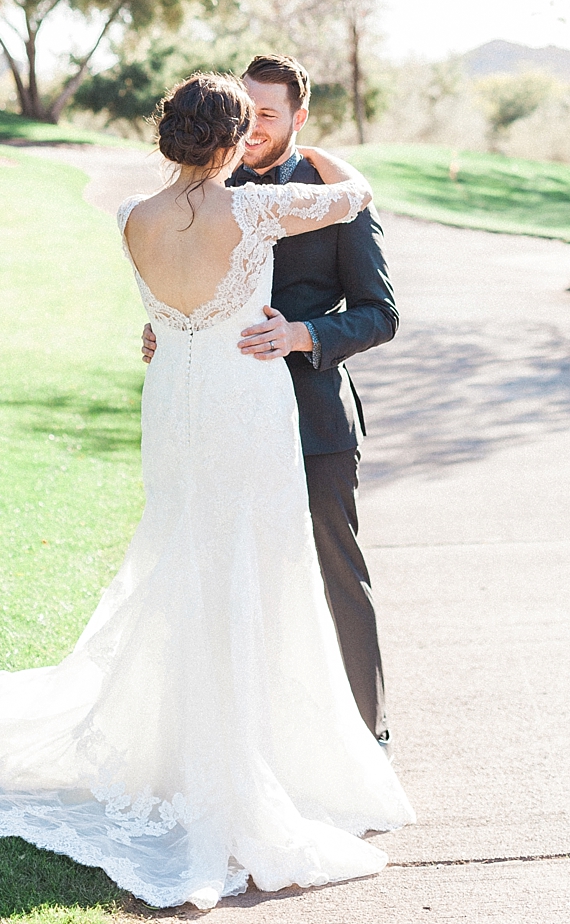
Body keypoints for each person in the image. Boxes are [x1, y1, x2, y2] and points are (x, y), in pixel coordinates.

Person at [0, 72, 414, 912]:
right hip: (241, 397)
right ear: (233, 143)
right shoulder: (259, 210)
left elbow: (172, 312)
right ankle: (229, 761)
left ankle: (188, 743)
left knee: (186, 553)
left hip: (175, 401)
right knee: (243, 560)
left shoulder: (130, 217)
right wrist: (317, 149)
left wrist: (178, 323)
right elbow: (357, 194)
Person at [143, 54, 397, 743]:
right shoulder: (201, 193)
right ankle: (252, 733)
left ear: (297, 120)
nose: (253, 127)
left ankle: (365, 731)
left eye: (268, 115)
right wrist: (168, 325)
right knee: (225, 573)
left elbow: (380, 313)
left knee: (332, 572)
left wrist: (304, 333)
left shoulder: (321, 190)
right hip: (220, 418)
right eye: (243, 113)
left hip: (311, 420)